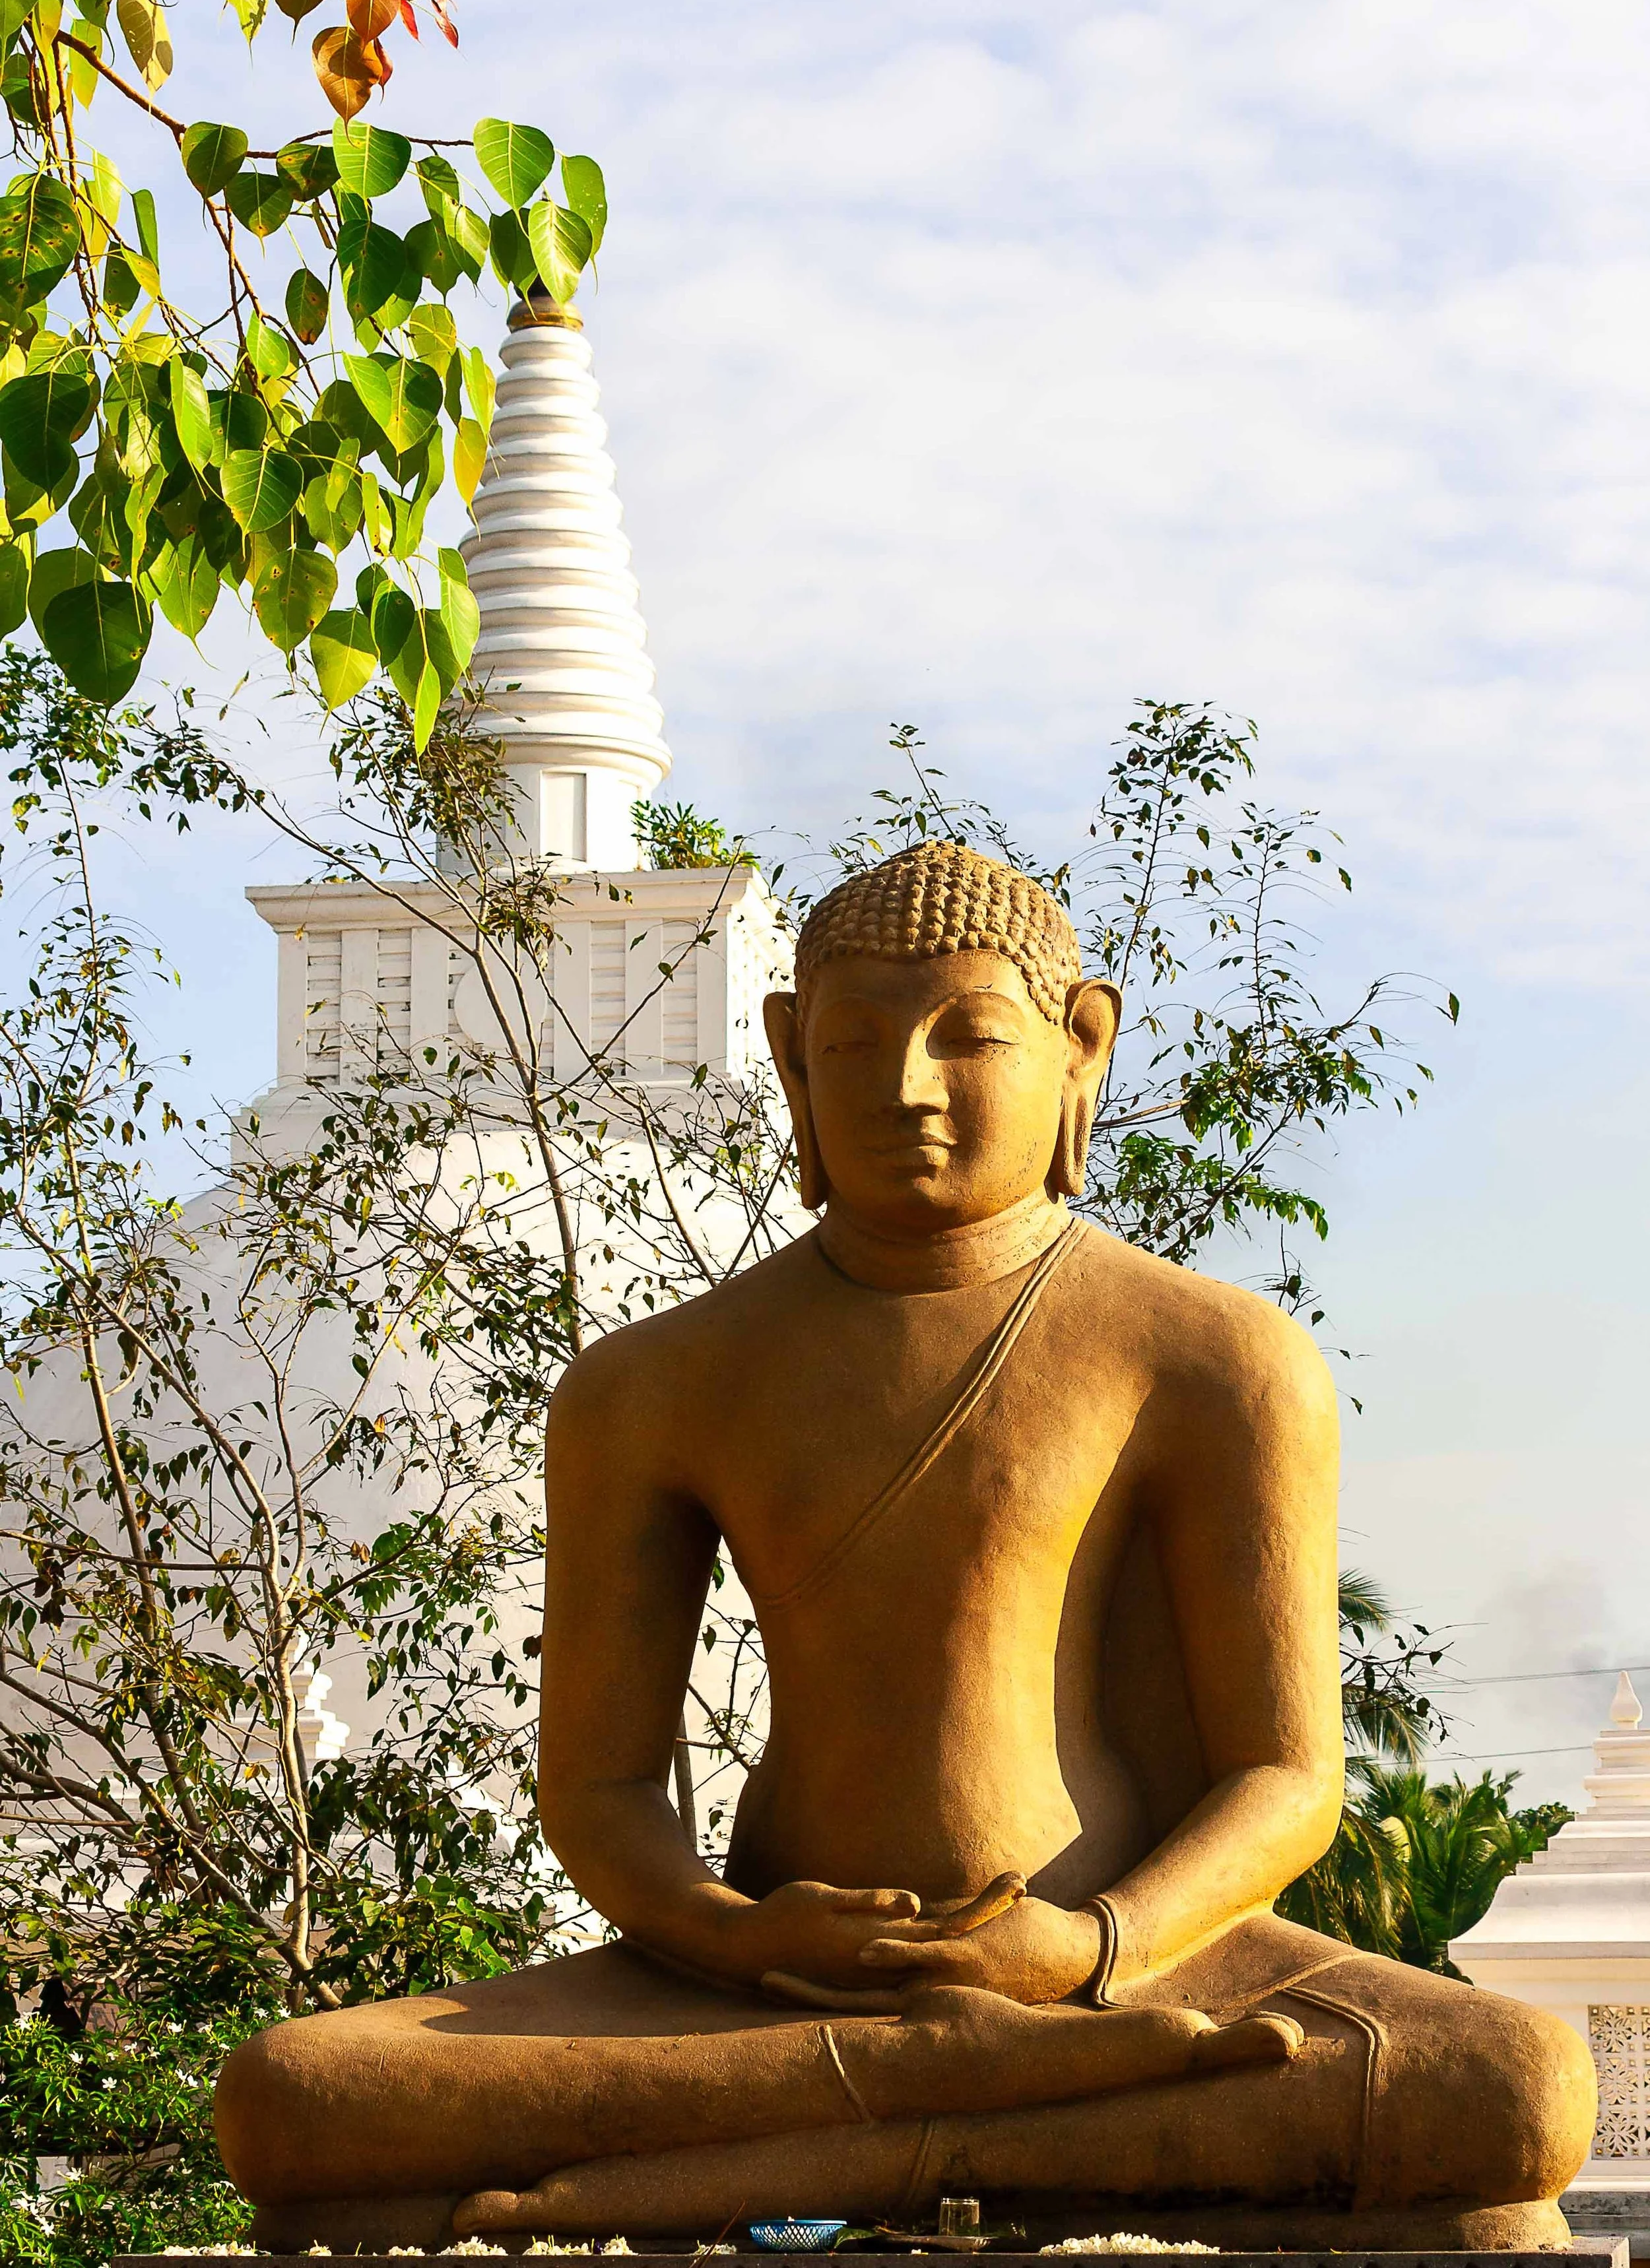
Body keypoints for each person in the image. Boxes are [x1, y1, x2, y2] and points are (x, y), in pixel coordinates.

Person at [216, 840, 1593, 2252]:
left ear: (1080, 1047)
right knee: (293, 2093)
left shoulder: (1209, 1356)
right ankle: (967, 2101)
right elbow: (604, 1790)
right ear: (788, 1061)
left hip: (1135, 1971)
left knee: (1517, 2089)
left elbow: (1285, 1777)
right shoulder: (653, 1383)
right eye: (852, 1043)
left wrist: (1092, 1942)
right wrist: (735, 1936)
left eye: (967, 1037)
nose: (903, 1088)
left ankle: (884, 2120)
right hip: (759, 1990)